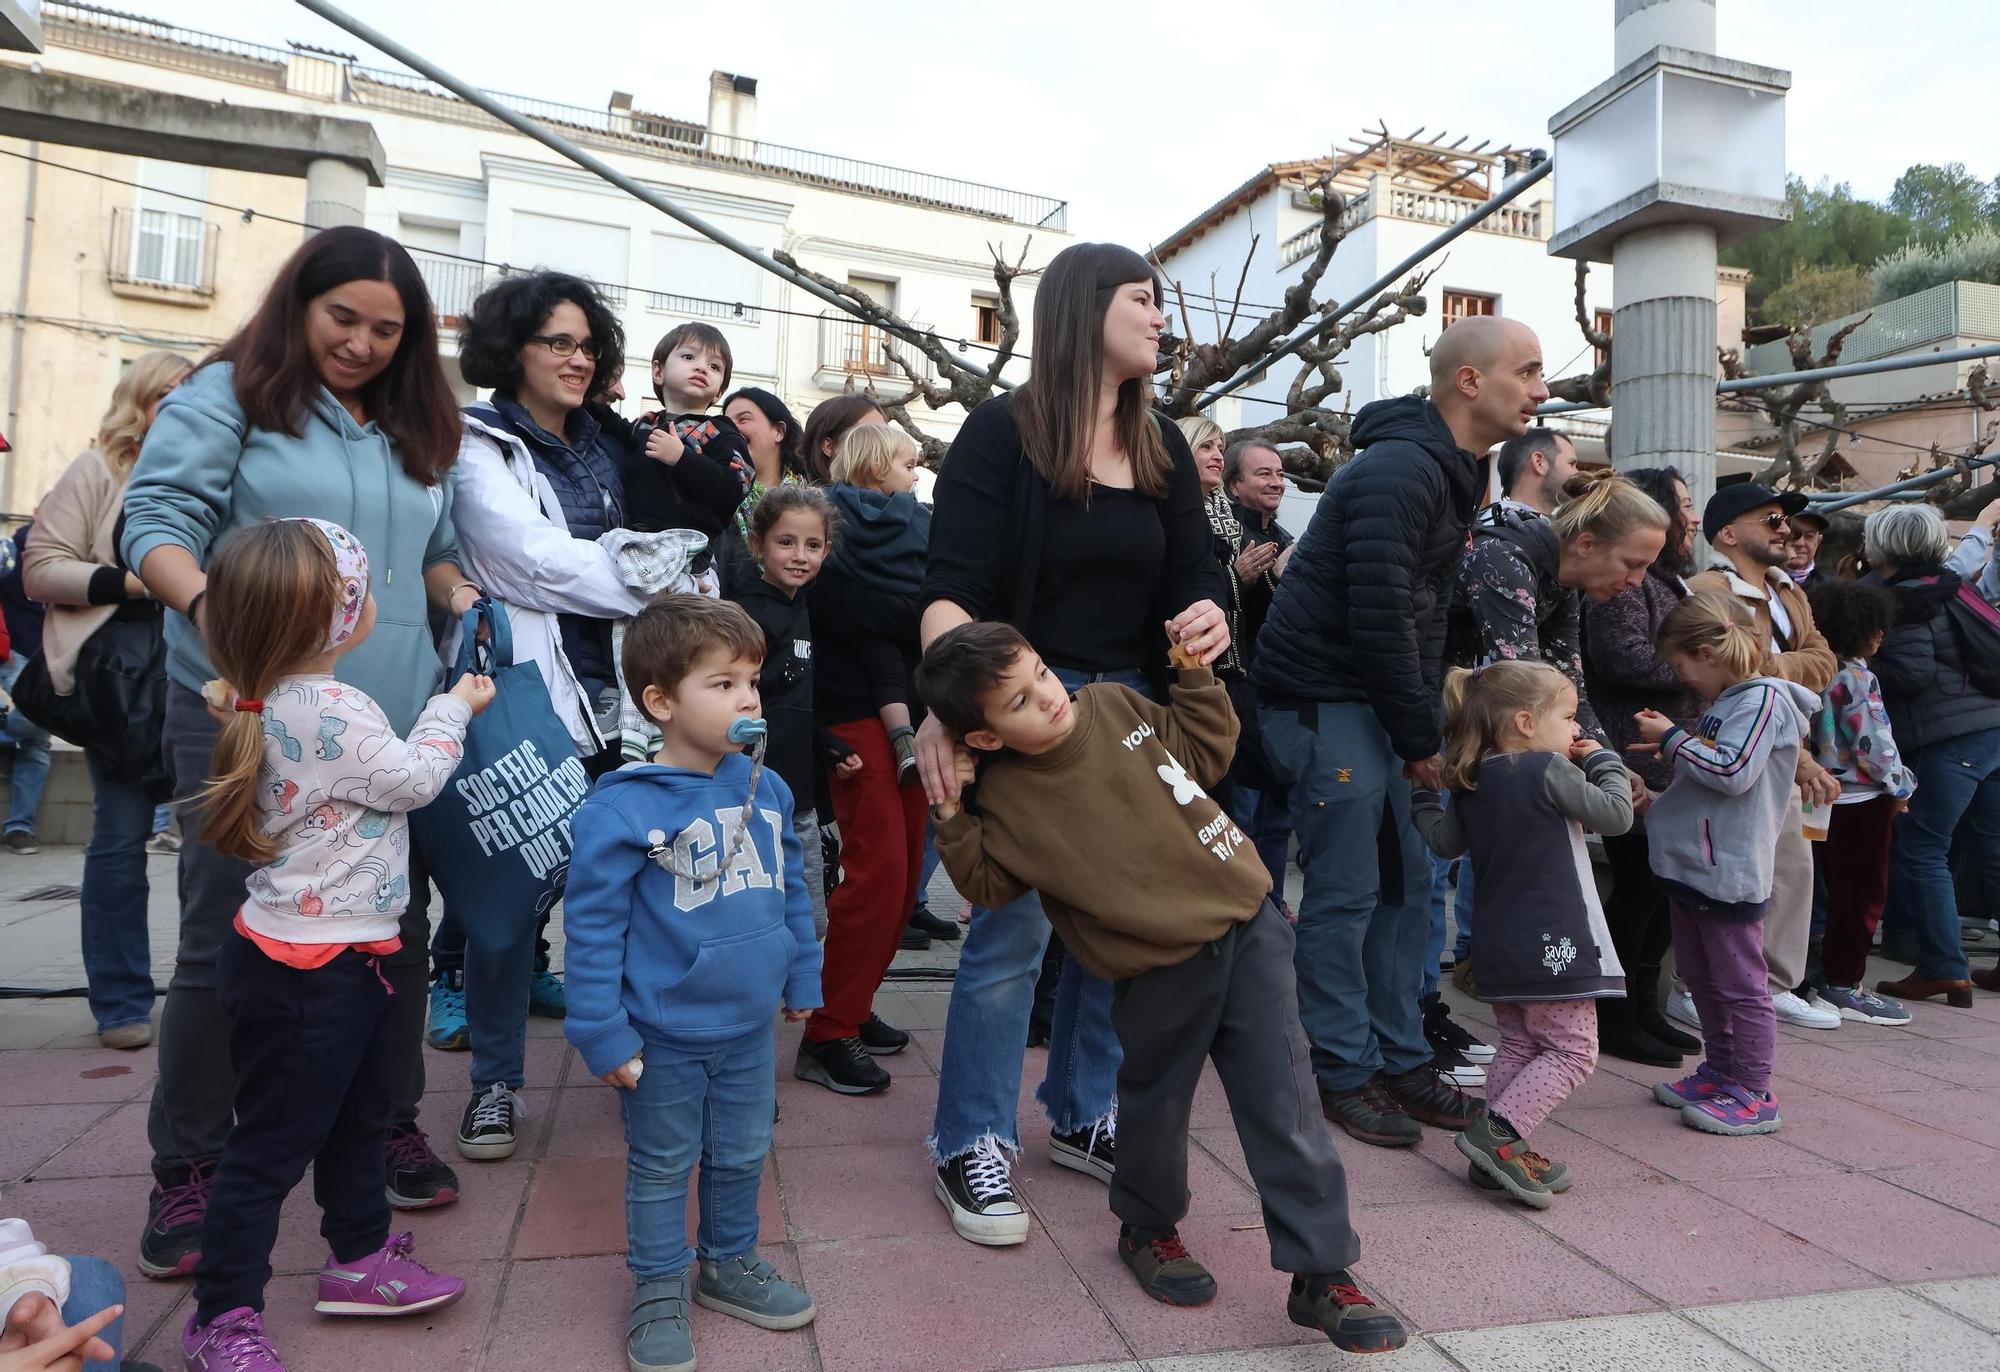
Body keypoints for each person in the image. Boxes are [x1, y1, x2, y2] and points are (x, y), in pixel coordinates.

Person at [121, 226, 479, 1276]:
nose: (363, 344)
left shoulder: (415, 424)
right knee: (225, 931)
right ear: (297, 305)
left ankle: (379, 1126)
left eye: (387, 329)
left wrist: (466, 593)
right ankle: (190, 1158)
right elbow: (154, 521)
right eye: (343, 319)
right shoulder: (228, 392)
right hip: (245, 708)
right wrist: (228, 624)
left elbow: (437, 553)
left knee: (390, 926)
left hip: (383, 723)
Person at [919, 621, 1405, 1355]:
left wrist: (1196, 678)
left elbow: (1205, 752)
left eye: (1043, 673)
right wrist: (952, 814)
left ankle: (1323, 1270)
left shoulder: (1113, 705)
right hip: (1153, 966)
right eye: (1018, 701)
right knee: (1154, 1106)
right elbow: (987, 883)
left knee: (1286, 1101)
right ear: (983, 739)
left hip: (1250, 927)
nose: (1048, 697)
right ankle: (1149, 1228)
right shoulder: (1006, 800)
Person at [913, 241, 1227, 1245]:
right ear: (1085, 307)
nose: (1159, 318)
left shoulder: (1162, 443)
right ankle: (969, 1134)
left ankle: (1082, 1111)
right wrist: (953, 705)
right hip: (1026, 714)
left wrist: (1212, 616)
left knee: (1117, 931)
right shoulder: (998, 433)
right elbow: (949, 587)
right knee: (1010, 936)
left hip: (1132, 715)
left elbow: (1197, 570)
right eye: (1144, 300)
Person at [180, 518, 485, 1370]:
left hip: (328, 956)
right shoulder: (333, 707)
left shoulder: (256, 694)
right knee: (270, 1148)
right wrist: (452, 705)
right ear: (338, 616)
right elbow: (414, 779)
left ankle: (357, 1257)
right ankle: (222, 1317)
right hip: (315, 970)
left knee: (359, 1116)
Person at [1250, 315, 1544, 1150]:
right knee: (1345, 895)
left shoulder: (1457, 470)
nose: (1542, 388)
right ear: (1469, 382)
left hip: (1374, 704)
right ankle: (1345, 1072)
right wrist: (1422, 738)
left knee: (1407, 888)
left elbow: (1419, 620)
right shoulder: (1399, 471)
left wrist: (1423, 729)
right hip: (1323, 699)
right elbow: (1379, 617)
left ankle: (1401, 1057)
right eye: (1527, 371)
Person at [563, 595, 821, 1372]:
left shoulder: (764, 790)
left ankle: (728, 1262)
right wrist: (599, 1030)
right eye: (723, 683)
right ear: (660, 702)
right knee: (662, 1163)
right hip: (663, 1035)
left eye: (752, 680)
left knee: (743, 1151)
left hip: (748, 1028)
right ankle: (657, 1282)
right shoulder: (622, 810)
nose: (748, 698)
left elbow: (793, 888)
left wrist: (802, 968)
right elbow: (593, 930)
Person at [428, 270, 650, 1152]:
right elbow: (532, 563)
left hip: (631, 693)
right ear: (511, 350)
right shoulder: (478, 442)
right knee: (510, 901)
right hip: (532, 690)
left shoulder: (612, 442)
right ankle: (494, 1083)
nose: (577, 358)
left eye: (588, 344)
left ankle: (646, 1065)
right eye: (557, 342)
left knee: (639, 884)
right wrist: (656, 579)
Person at [1412, 660, 1633, 1207]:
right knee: (1574, 1052)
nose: (1576, 729)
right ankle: (1498, 1134)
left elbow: (1442, 843)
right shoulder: (1546, 770)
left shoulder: (1473, 780)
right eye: (1568, 716)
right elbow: (1617, 815)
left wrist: (1420, 797)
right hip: (1553, 940)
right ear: (1527, 723)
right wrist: (1604, 760)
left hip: (1498, 944)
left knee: (1520, 1041)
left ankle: (1499, 1156)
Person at [19, 351, 190, 1049]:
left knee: (219, 847)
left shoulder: (215, 476)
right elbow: (40, 568)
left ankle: (215, 994)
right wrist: (140, 580)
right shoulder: (98, 470)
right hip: (119, 682)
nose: (182, 409)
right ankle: (120, 1001)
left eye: (194, 397)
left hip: (201, 669)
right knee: (121, 839)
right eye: (168, 396)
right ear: (138, 404)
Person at [1637, 592, 1818, 1137]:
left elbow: (1733, 772)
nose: (1680, 675)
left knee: (1742, 984)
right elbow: (1712, 776)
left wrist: (1671, 739)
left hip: (1729, 872)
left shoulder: (1763, 701)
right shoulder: (1731, 703)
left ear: (1710, 652)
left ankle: (1755, 1091)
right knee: (1699, 977)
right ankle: (1721, 1071)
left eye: (1680, 663)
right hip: (1697, 867)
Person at [794, 425, 930, 1094]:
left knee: (902, 884)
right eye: (908, 461)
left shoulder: (912, 531)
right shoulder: (826, 531)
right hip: (853, 718)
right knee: (877, 878)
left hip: (910, 718)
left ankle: (849, 1002)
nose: (916, 472)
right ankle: (826, 1033)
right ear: (878, 463)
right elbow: (873, 619)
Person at [1686, 484, 1843, 1034]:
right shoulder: (1708, 589)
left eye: (1787, 521)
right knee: (1735, 873)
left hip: (1787, 750)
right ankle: (1704, 987)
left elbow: (1825, 661)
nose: (1785, 530)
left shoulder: (1788, 590)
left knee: (1793, 872)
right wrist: (1774, 669)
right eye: (1772, 519)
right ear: (1728, 533)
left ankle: (1772, 986)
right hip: (1736, 749)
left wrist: (1774, 667)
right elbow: (1733, 675)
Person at [1579, 467, 1704, 1064]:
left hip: (1666, 755)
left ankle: (1644, 1004)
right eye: (1682, 504)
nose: (1691, 516)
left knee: (1661, 891)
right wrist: (1700, 668)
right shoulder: (1624, 584)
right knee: (1639, 886)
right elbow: (1617, 657)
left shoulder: (1667, 583)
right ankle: (1615, 1010)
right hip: (1634, 753)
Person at [1862, 504, 2000, 1004]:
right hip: (1990, 729)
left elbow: (1915, 672)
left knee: (1923, 848)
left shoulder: (1904, 600)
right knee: (1992, 847)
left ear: (1882, 545)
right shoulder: (1949, 585)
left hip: (1948, 739)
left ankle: (1944, 966)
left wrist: (1864, 667)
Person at [730, 486, 852, 941]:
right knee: (755, 914)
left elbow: (793, 702)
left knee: (809, 921)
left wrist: (828, 744)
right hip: (749, 795)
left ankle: (794, 1000)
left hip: (797, 796)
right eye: (786, 542)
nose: (800, 555)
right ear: (757, 544)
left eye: (813, 545)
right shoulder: (745, 613)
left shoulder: (802, 607)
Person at [1803, 578, 1917, 1024]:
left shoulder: (1814, 671)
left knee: (1819, 891)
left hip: (1817, 793)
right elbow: (1873, 744)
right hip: (1861, 800)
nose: (1882, 634)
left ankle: (1810, 976)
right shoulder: (1857, 678)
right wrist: (1901, 785)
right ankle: (1843, 982)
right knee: (1863, 895)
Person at [1221, 440, 1296, 911]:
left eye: (1280, 473)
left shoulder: (1286, 539)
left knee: (1280, 813)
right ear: (1234, 484)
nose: (1276, 482)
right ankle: (1243, 903)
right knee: (1241, 811)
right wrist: (1240, 577)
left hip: (1282, 691)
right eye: (1263, 473)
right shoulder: (1223, 534)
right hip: (1236, 691)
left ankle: (1274, 902)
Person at [627, 323, 752, 542]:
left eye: (714, 366)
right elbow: (607, 425)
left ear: (719, 392)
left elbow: (736, 487)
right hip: (632, 539)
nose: (702, 368)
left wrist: (683, 459)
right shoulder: (645, 424)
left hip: (690, 552)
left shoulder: (722, 433)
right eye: (688, 357)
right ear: (658, 371)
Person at [718, 386, 811, 591]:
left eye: (743, 420)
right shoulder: (716, 499)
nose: (731, 430)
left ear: (778, 431)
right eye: (726, 423)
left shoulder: (814, 501)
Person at [0, 533, 50, 858]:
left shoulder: (72, 553)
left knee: (38, 742)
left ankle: (19, 828)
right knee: (38, 724)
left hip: (47, 660)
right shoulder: (13, 551)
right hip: (12, 653)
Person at [799, 393, 886, 485]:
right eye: (867, 434)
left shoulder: (896, 493)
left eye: (886, 433)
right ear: (828, 446)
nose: (884, 443)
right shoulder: (803, 498)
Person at [1785, 508, 1831, 591]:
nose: (1800, 543)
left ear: (1818, 542)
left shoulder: (1831, 589)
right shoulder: (1762, 583)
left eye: (1809, 536)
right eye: (1793, 535)